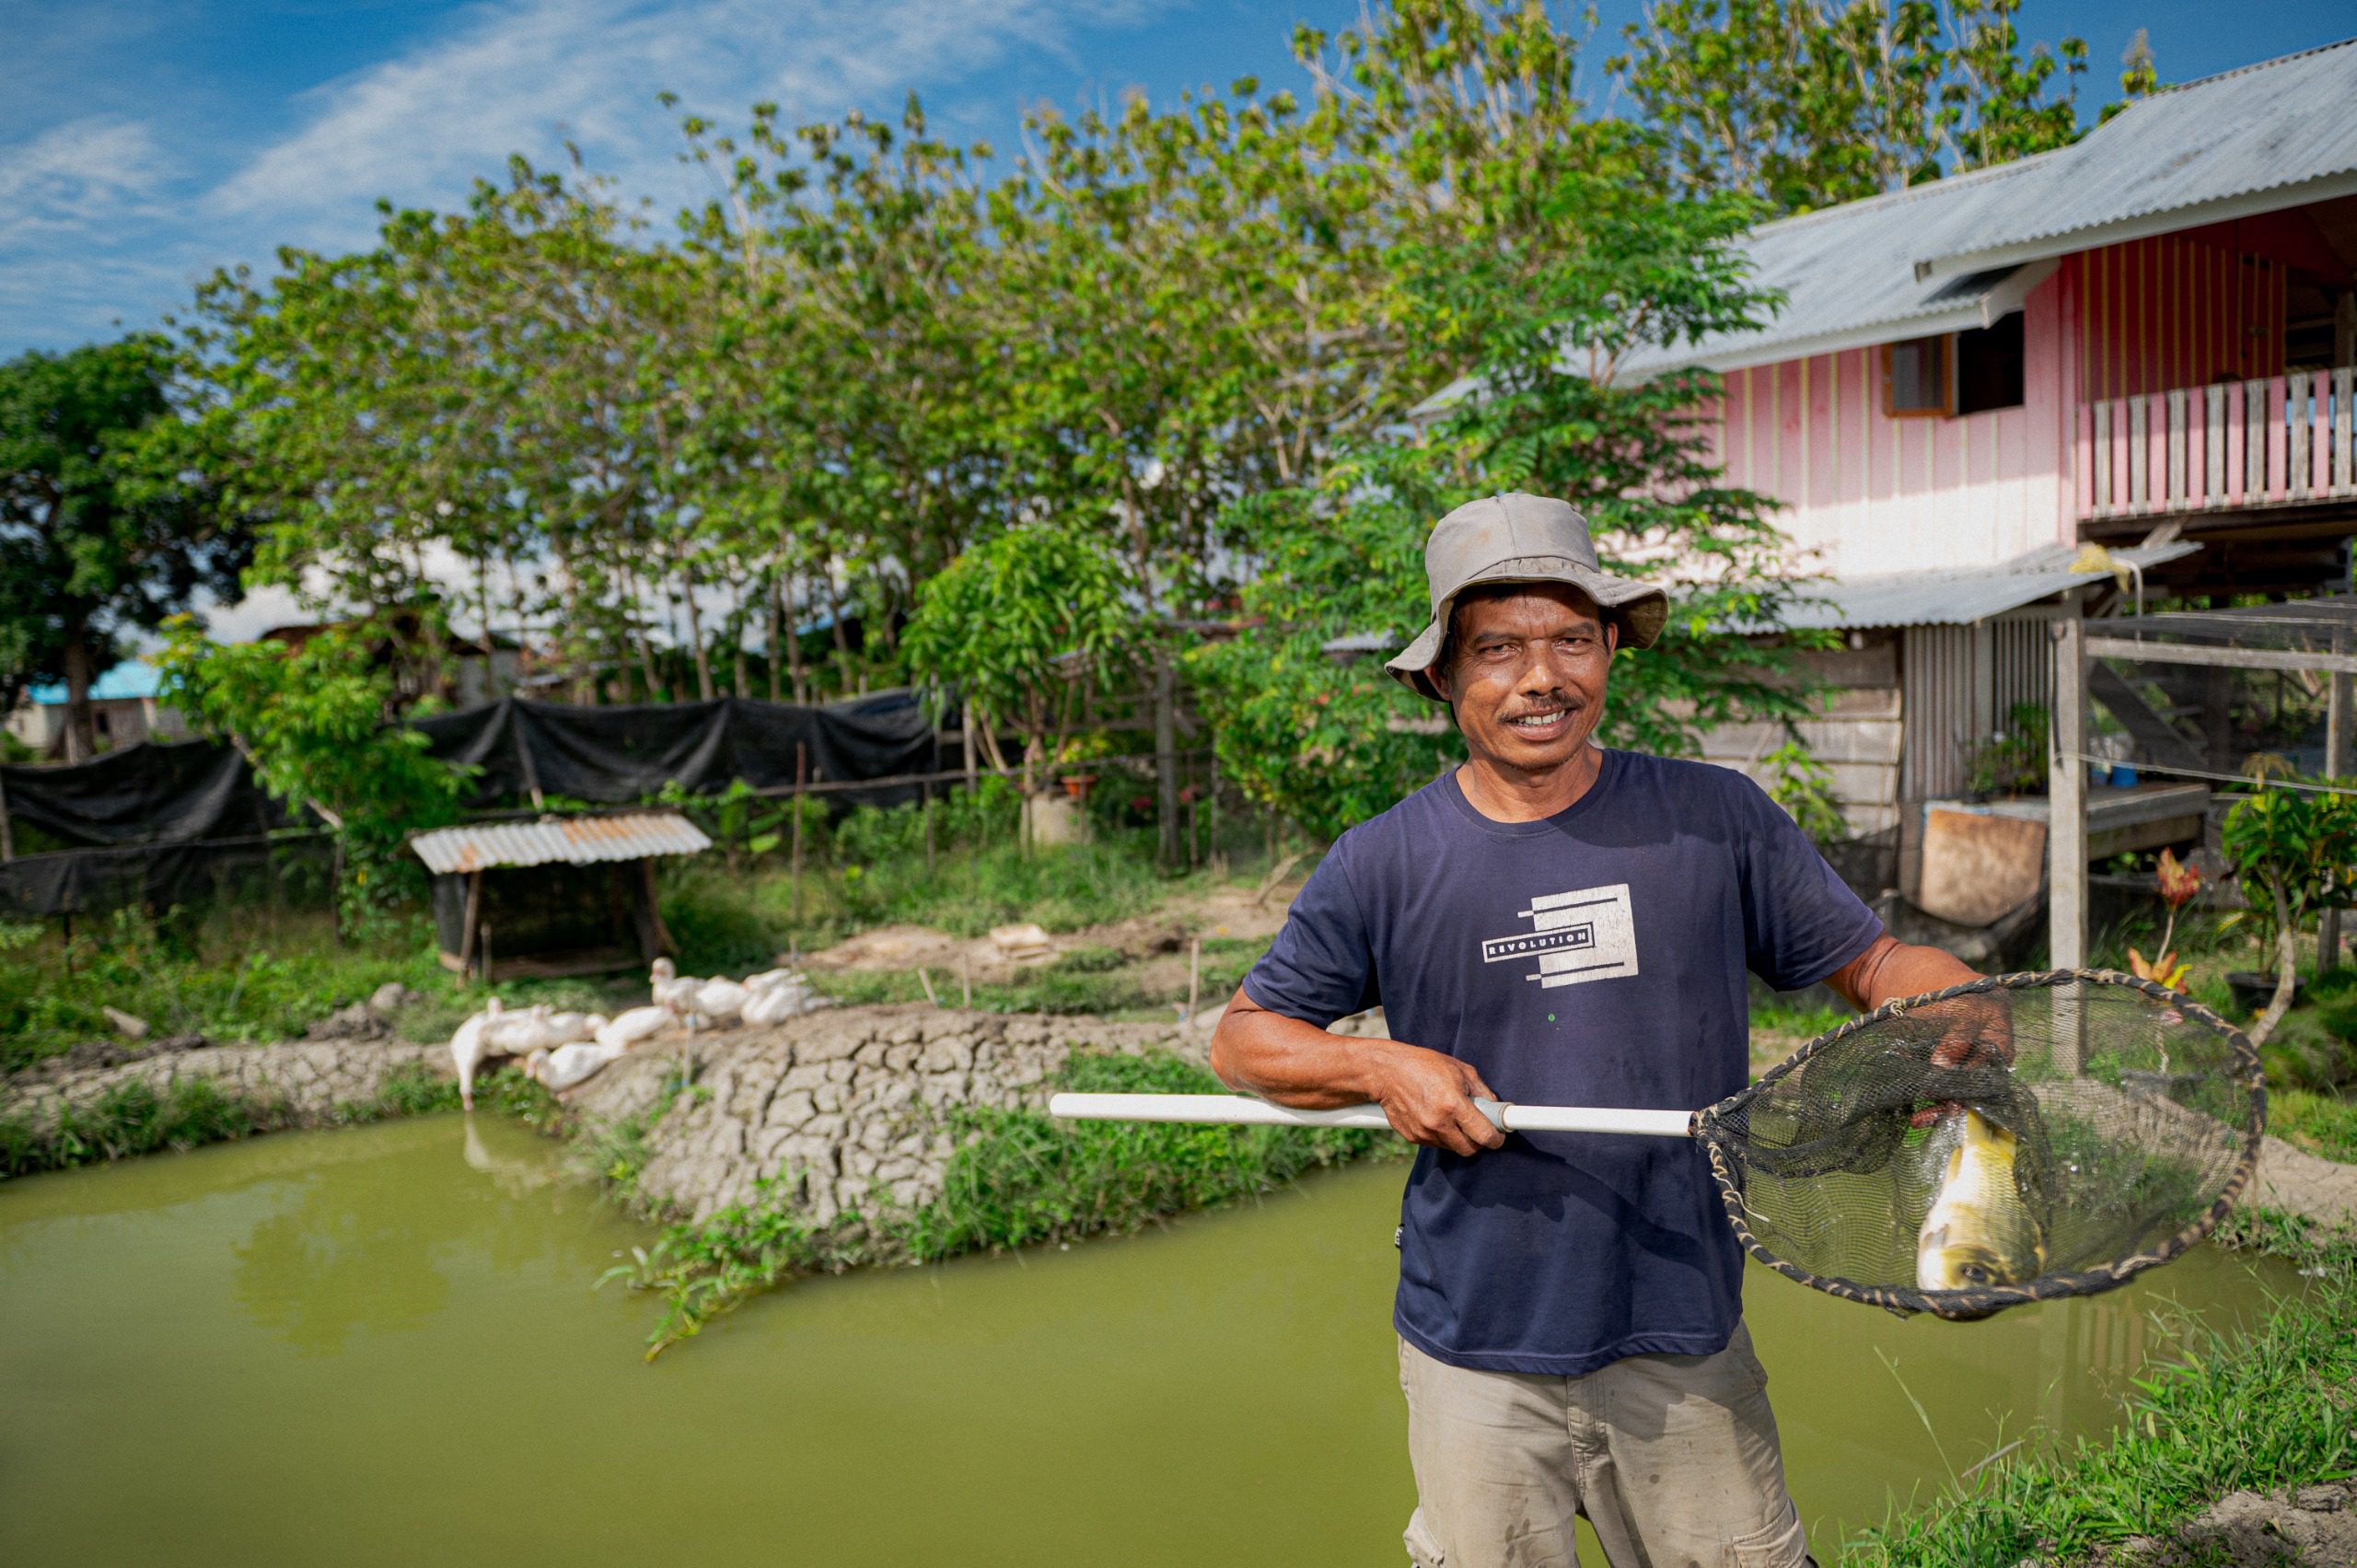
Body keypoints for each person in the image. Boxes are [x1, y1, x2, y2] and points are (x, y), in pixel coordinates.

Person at [1209, 494, 1980, 1568]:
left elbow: (1873, 962)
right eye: (1499, 649)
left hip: (1679, 1321)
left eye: (1572, 638)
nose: (1541, 677)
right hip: (1474, 1343)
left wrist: (1950, 997)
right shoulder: (1382, 859)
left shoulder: (1712, 818)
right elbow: (1245, 1039)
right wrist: (1375, 1061)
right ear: (1442, 674)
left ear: (1611, 647)